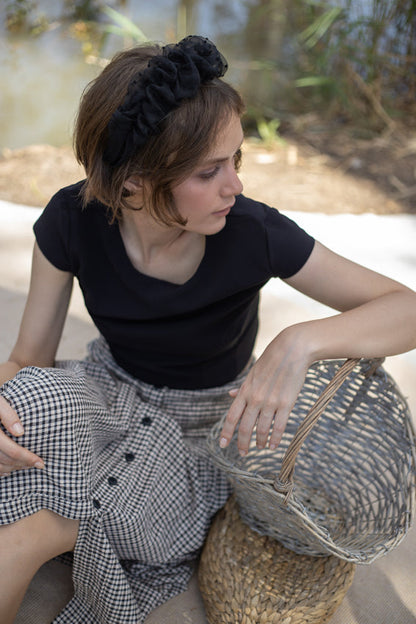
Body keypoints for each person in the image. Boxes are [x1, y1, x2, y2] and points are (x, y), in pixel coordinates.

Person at [0, 35, 415, 624]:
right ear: (132, 184)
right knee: (27, 399)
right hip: (108, 397)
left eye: (236, 160)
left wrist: (300, 339)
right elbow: (29, 357)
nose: (235, 185)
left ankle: (49, 528)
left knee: (35, 527)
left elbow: (406, 308)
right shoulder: (71, 220)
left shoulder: (254, 233)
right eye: (209, 170)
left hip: (200, 439)